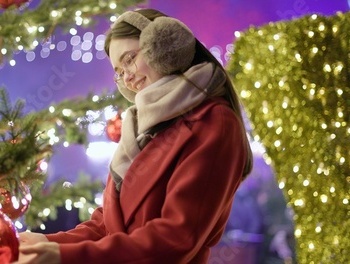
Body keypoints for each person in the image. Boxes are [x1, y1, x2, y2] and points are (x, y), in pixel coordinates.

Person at [15, 8, 253, 264]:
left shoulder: (214, 121)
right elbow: (106, 225)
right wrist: (48, 242)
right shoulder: (140, 129)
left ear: (165, 47)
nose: (126, 76)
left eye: (129, 59)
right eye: (119, 70)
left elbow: (175, 239)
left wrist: (64, 256)